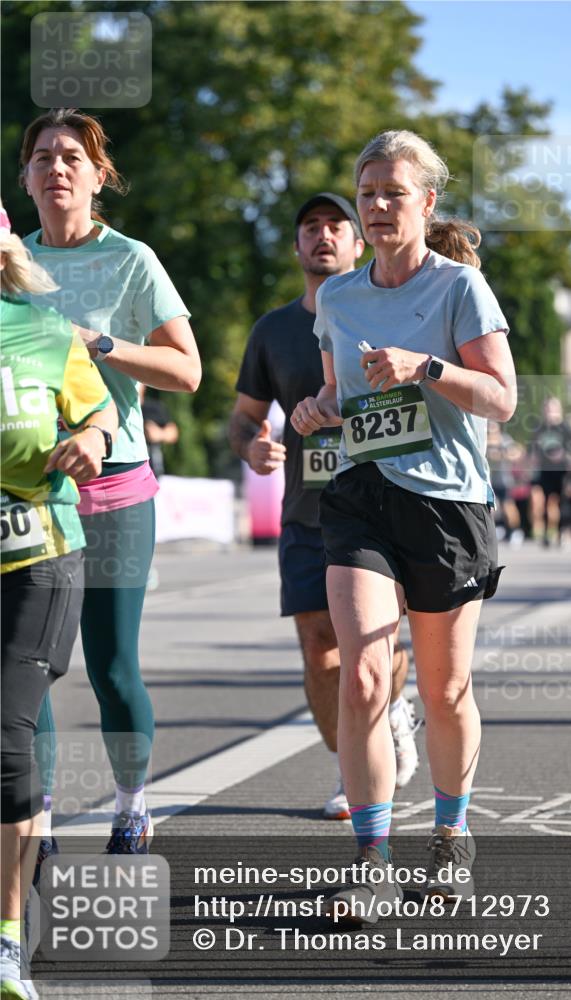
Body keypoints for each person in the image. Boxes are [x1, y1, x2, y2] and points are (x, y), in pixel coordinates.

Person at [291, 130, 515, 917]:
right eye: (367, 194)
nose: (378, 206)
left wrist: (427, 368)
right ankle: (371, 858)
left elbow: (501, 399)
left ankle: (451, 839)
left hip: (446, 503)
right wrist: (315, 409)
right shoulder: (339, 297)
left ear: (426, 202)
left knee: (444, 689)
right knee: (362, 676)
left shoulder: (459, 288)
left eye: (393, 192)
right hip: (361, 494)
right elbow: (336, 396)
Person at [18, 108, 201, 856]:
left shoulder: (130, 260)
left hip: (114, 485)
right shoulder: (10, 261)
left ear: (99, 176)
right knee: (27, 669)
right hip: (30, 488)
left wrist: (97, 342)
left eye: (72, 157)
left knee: (112, 667)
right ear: (25, 177)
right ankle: (38, 820)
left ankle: (131, 807)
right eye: (42, 157)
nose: (57, 168)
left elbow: (186, 370)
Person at [230, 193, 420, 820]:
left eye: (336, 225)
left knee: (377, 640)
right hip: (307, 513)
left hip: (383, 504)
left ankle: (389, 709)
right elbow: (244, 418)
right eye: (309, 227)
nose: (323, 235)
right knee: (319, 648)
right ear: (296, 247)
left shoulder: (389, 312)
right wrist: (251, 446)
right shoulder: (272, 330)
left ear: (358, 243)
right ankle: (352, 765)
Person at [1, 203, 117, 1000]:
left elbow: (99, 410)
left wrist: (94, 440)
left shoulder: (45, 329)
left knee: (6, 731)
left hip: (37, 555)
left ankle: (7, 938)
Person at [529, 397, 571, 547]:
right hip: (546, 471)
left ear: (559, 411)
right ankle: (547, 533)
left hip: (562, 471)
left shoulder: (566, 429)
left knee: (563, 502)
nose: (550, 412)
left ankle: (565, 532)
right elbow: (532, 451)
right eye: (547, 409)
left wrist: (564, 456)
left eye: (553, 409)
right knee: (545, 502)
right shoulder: (539, 430)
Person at [139, 384, 180, 479]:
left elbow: (173, 432)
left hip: (152, 470)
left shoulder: (154, 408)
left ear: (143, 386)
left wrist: (158, 434)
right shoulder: (116, 407)